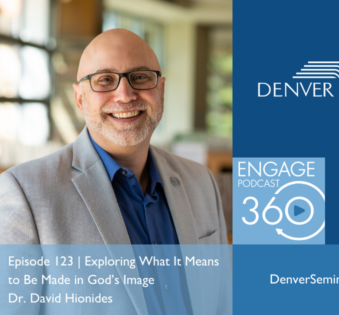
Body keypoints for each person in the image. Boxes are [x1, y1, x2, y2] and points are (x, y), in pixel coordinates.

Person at [0, 29, 228, 247]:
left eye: (140, 77)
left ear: (162, 89)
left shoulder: (202, 183)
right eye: (105, 80)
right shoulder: (26, 193)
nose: (125, 96)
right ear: (80, 99)